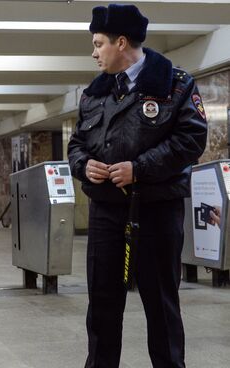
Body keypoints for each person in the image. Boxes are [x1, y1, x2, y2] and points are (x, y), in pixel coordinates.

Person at [67, 4, 207, 367]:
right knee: (102, 306)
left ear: (122, 42)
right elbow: (76, 145)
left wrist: (138, 169)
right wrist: (85, 165)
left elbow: (191, 140)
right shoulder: (94, 92)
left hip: (156, 212)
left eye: (99, 44)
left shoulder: (175, 84)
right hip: (105, 213)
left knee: (161, 306)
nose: (94, 52)